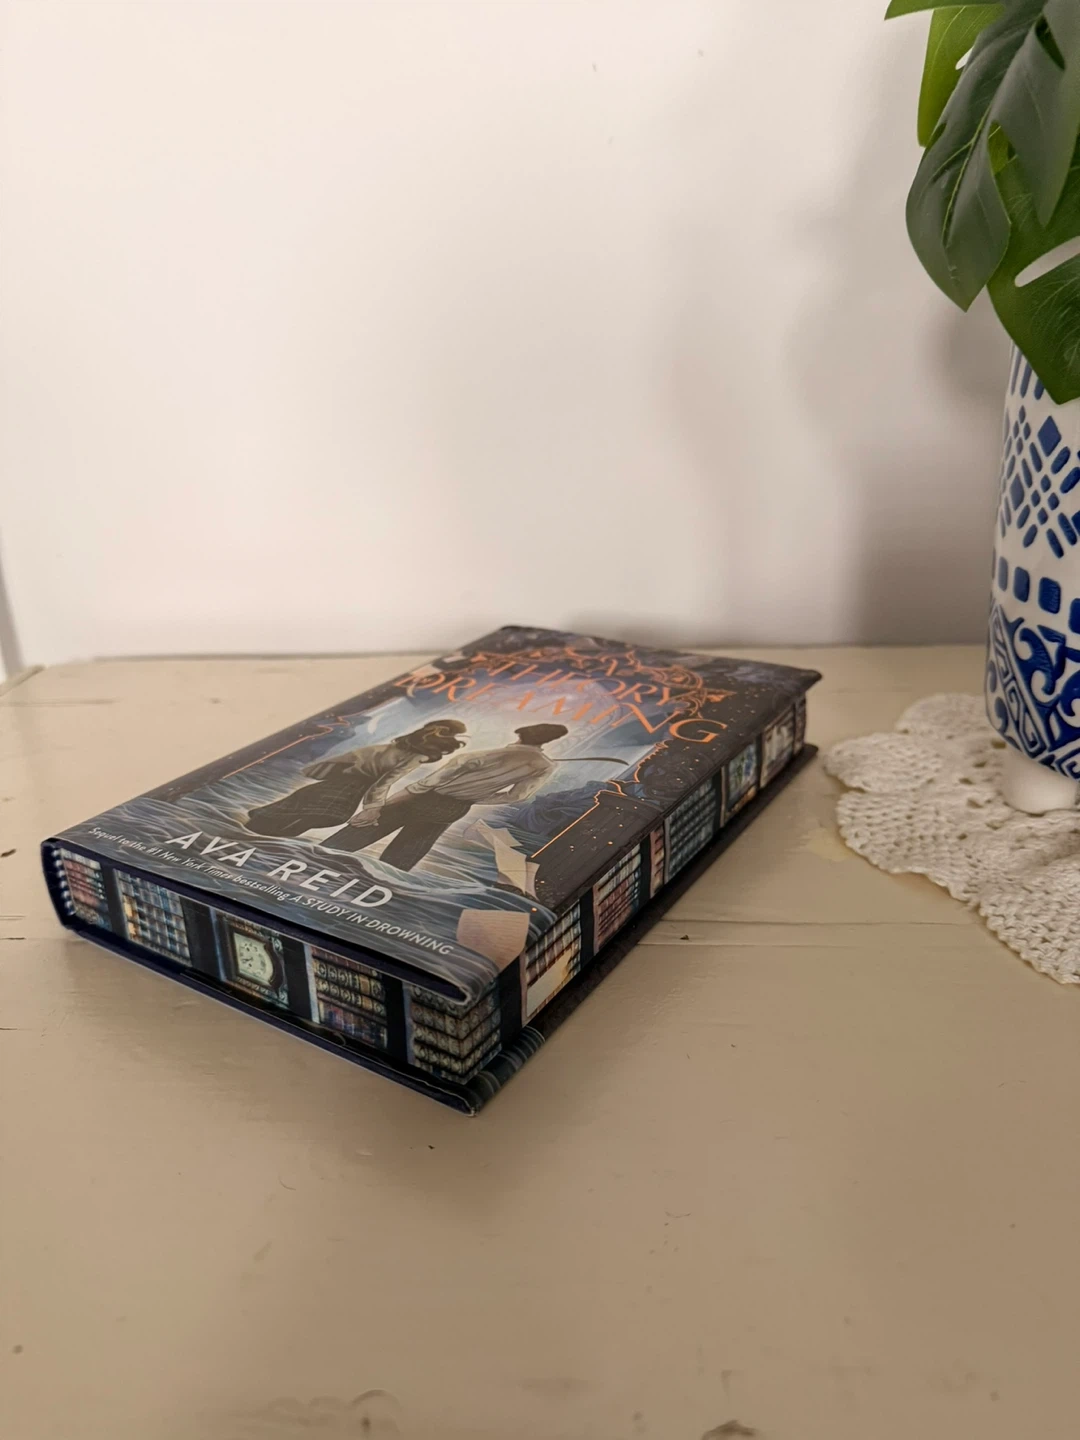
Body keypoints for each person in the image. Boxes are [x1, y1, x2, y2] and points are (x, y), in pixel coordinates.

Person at [320, 723, 569, 870]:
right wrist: (472, 797)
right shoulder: (545, 765)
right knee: (401, 859)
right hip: (454, 808)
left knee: (349, 839)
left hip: (424, 798)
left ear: (519, 735)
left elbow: (424, 785)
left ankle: (316, 864)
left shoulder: (474, 757)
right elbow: (515, 796)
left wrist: (378, 807)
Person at [243, 719, 467, 838]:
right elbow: (383, 783)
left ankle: (251, 838)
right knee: (321, 818)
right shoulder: (416, 757)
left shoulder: (386, 747)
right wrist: (373, 808)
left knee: (286, 817)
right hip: (346, 792)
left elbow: (343, 760)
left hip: (330, 786)